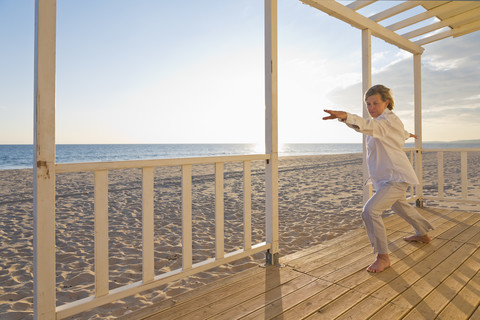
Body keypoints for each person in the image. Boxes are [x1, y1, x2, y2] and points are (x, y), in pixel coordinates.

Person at [323, 84, 434, 273]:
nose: (371, 108)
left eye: (375, 103)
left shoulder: (386, 121)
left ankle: (383, 256)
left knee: (370, 211)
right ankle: (423, 234)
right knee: (401, 206)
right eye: (368, 104)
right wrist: (407, 134)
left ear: (387, 103)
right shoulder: (386, 121)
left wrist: (345, 115)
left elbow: (372, 127)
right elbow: (377, 129)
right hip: (386, 178)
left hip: (395, 177)